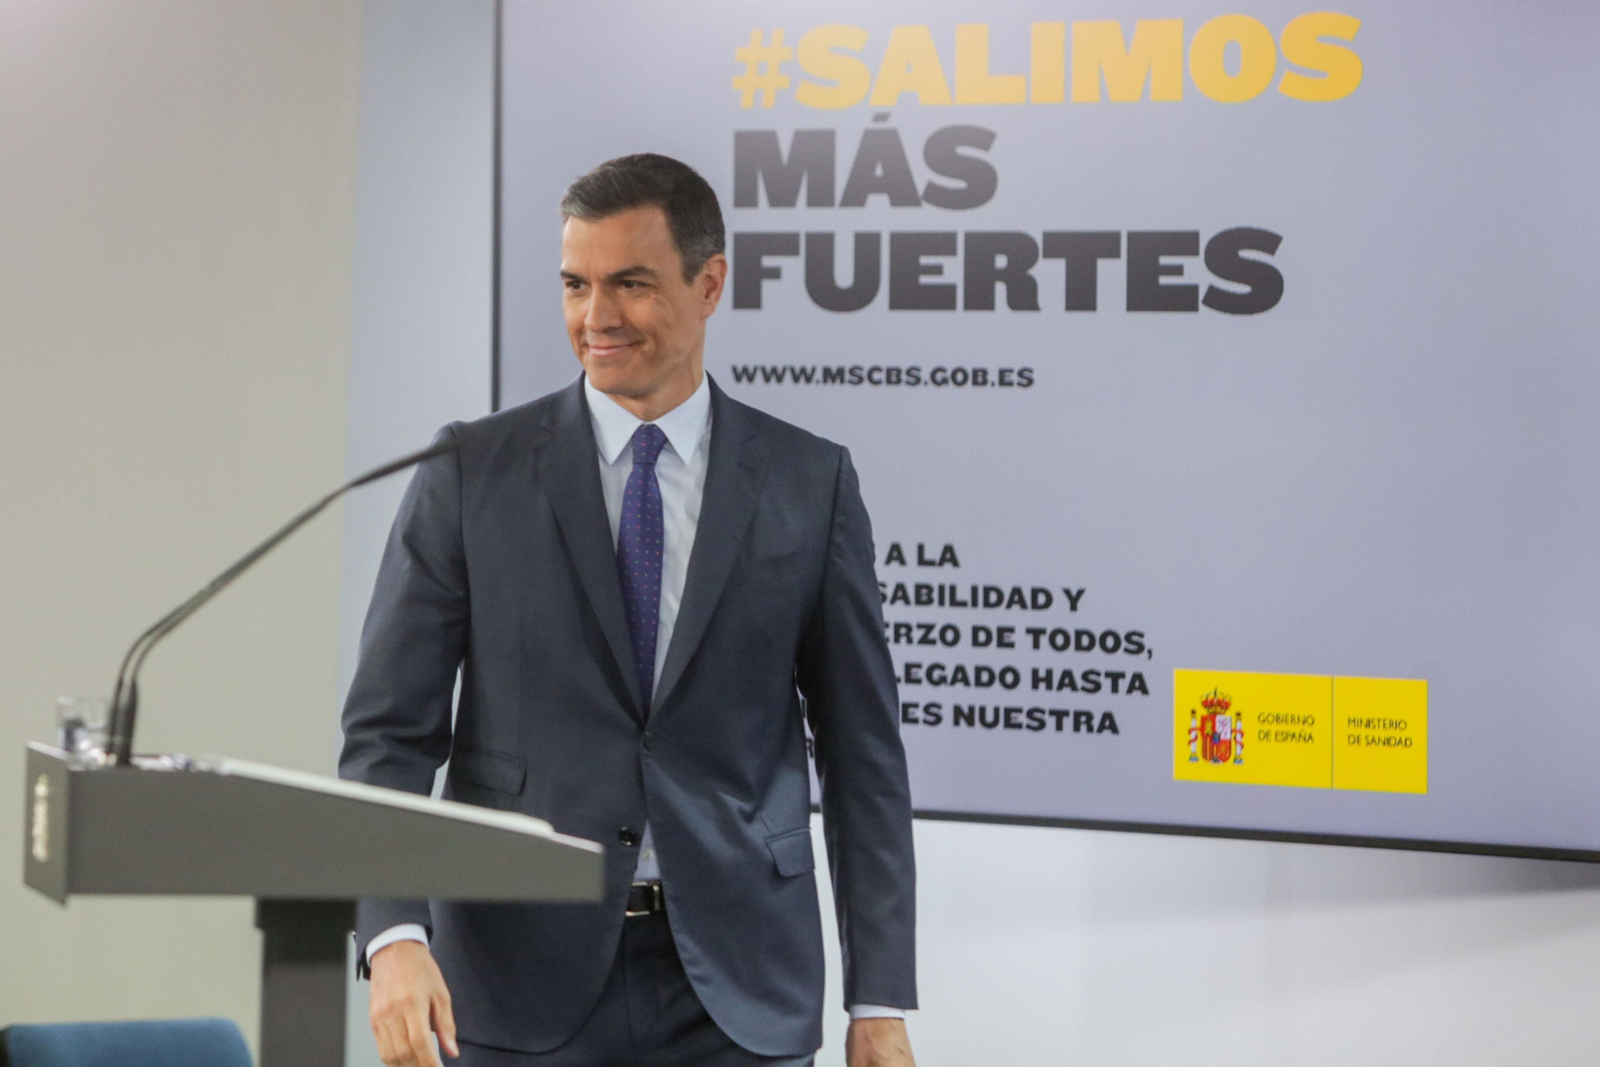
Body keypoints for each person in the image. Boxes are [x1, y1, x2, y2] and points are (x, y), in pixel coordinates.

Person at [339, 153, 918, 1067]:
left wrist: (878, 997)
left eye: (631, 284)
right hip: (515, 981)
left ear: (710, 283)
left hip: (741, 990)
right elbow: (388, 734)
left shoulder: (811, 483)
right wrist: (395, 932)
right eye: (576, 284)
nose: (595, 317)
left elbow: (862, 756)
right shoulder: (470, 472)